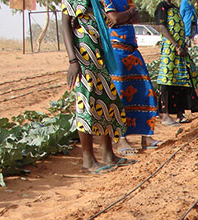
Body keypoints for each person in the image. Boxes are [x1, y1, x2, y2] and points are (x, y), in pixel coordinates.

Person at [61, 0, 135, 174]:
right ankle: (88, 160)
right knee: (86, 106)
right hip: (84, 60)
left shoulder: (96, 2)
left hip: (99, 59)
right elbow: (65, 25)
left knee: (106, 103)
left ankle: (108, 154)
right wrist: (73, 61)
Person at [103, 0, 161, 155]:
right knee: (121, 95)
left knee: (144, 90)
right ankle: (122, 139)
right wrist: (128, 13)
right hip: (117, 51)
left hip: (132, 49)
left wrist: (124, 17)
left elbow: (137, 19)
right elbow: (114, 19)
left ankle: (146, 136)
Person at [154, 0, 198, 125]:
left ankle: (180, 113)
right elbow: (162, 27)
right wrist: (175, 45)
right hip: (170, 51)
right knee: (167, 81)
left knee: (181, 80)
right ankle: (165, 115)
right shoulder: (162, 7)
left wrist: (183, 46)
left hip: (179, 51)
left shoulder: (174, 7)